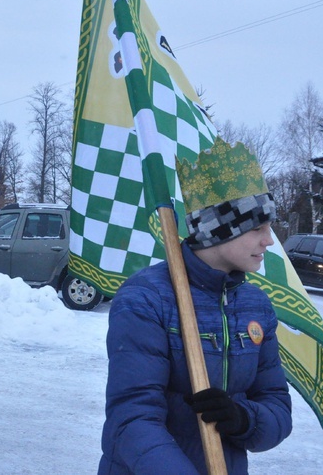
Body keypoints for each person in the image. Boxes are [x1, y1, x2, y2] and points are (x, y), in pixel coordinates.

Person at [98, 140, 292, 474]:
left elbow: (277, 406)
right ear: (220, 232)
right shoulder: (146, 298)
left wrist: (243, 419)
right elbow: (131, 419)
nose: (270, 240)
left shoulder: (255, 306)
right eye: (258, 227)